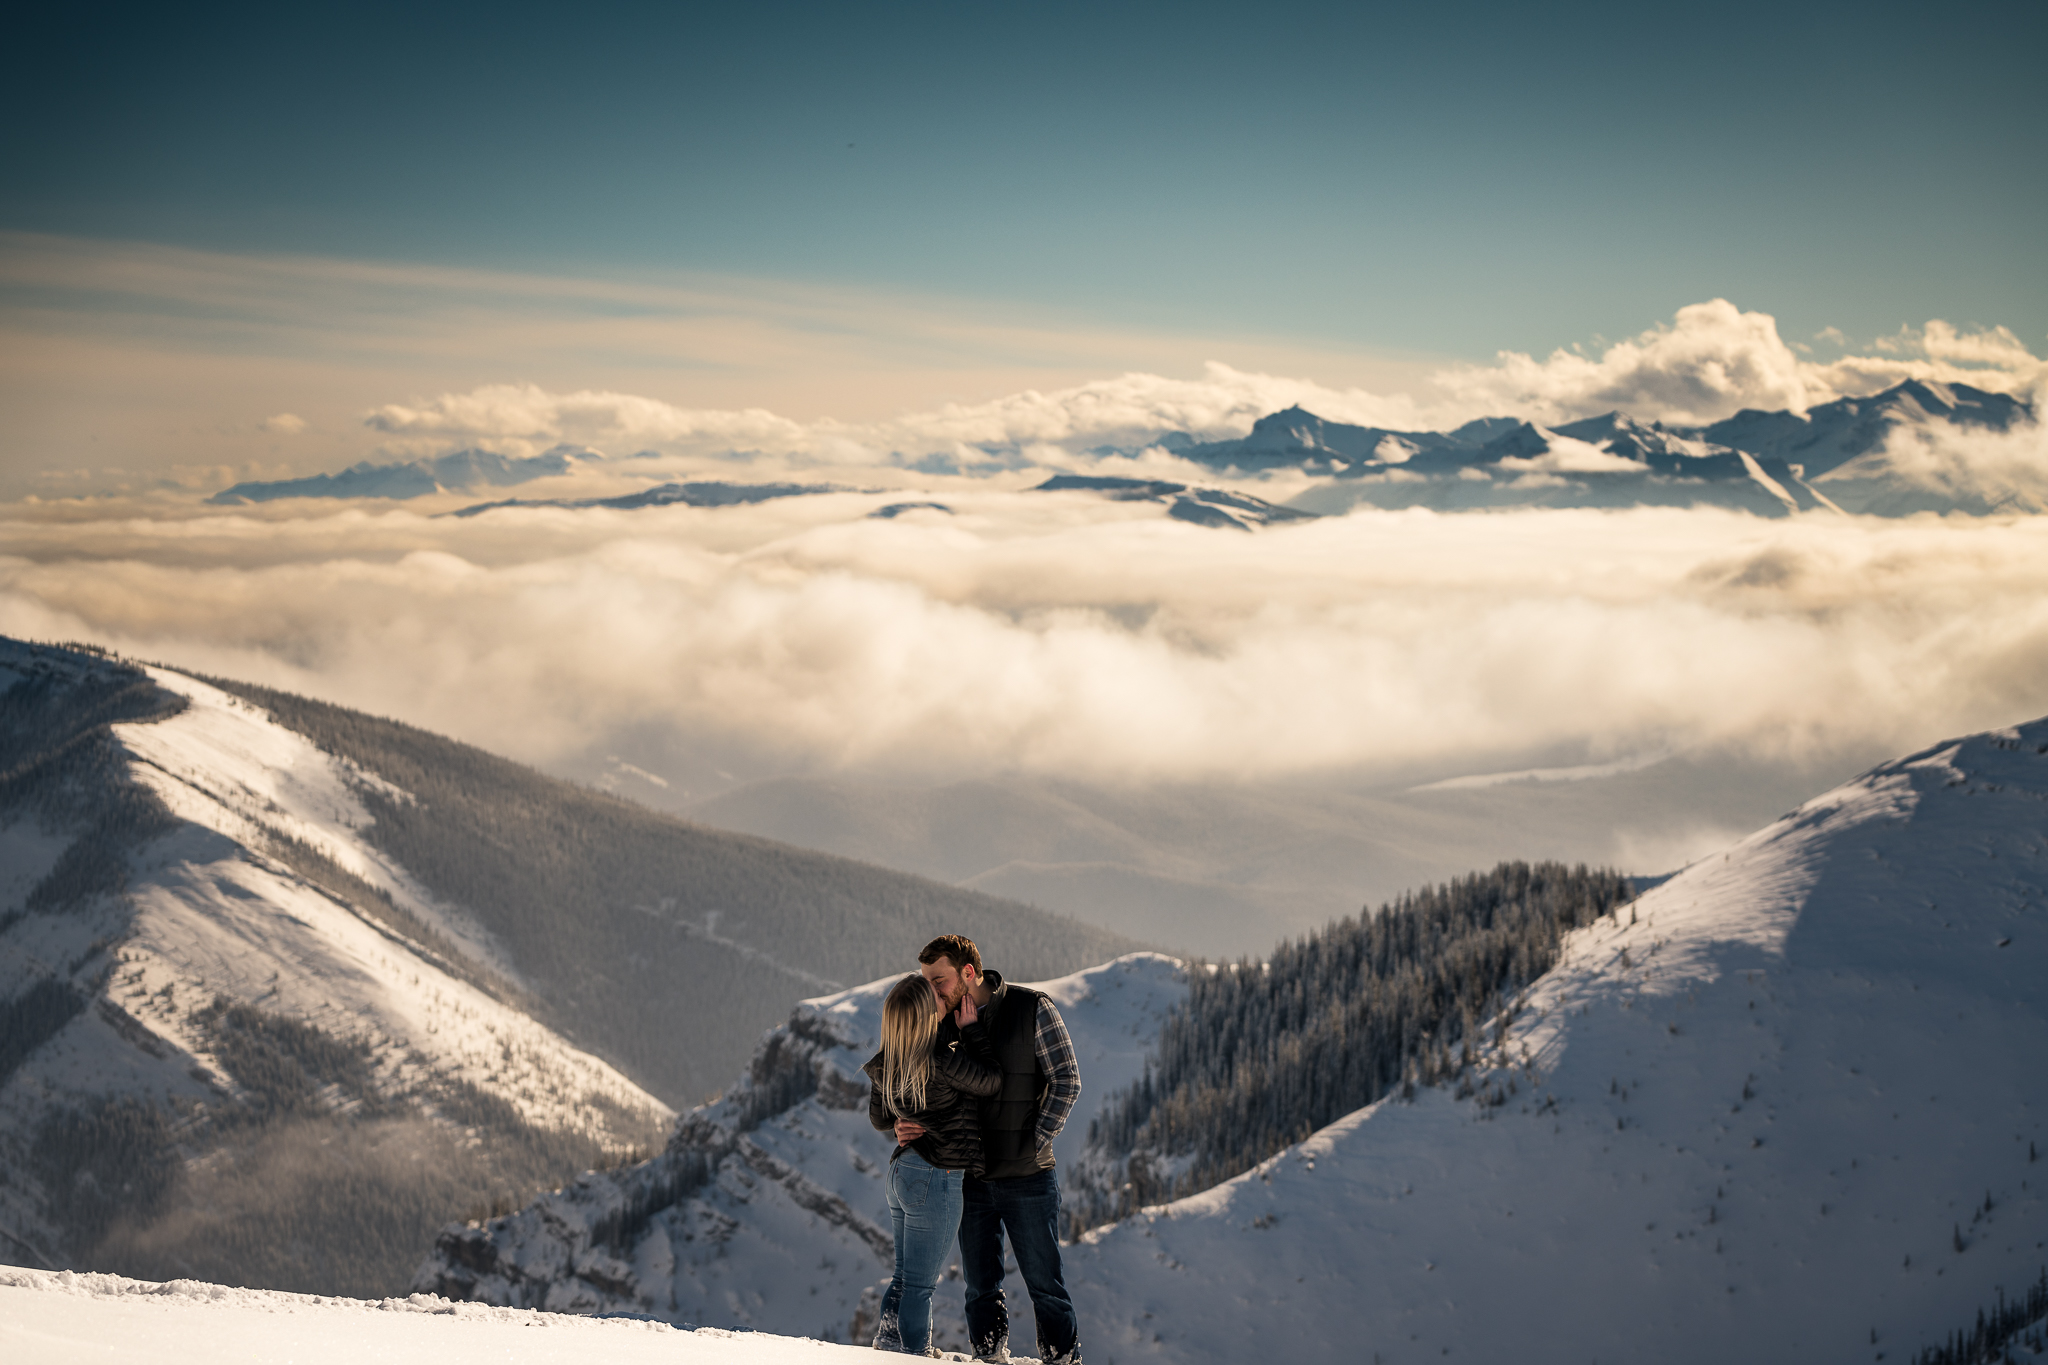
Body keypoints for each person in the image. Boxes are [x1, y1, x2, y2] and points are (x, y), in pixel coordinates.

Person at [905, 935, 1082, 1365]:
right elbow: (930, 1090)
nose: (932, 991)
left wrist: (1034, 1143)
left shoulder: (1032, 1008)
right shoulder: (940, 1023)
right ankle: (989, 1359)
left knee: (1045, 1285)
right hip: (971, 1180)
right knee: (980, 1287)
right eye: (926, 981)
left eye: (939, 980)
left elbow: (1067, 1080)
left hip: (1029, 1179)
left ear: (969, 973)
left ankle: (1063, 1360)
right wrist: (904, 1120)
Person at [863, 971, 1001, 1356]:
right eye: (939, 1001)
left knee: (904, 1277)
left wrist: (898, 1121)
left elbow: (877, 1118)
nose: (947, 1001)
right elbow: (991, 1081)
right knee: (920, 1286)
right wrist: (972, 1031)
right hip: (934, 1178)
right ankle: (913, 1357)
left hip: (901, 1173)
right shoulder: (943, 1061)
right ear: (926, 1016)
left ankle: (888, 1346)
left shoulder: (886, 1061)